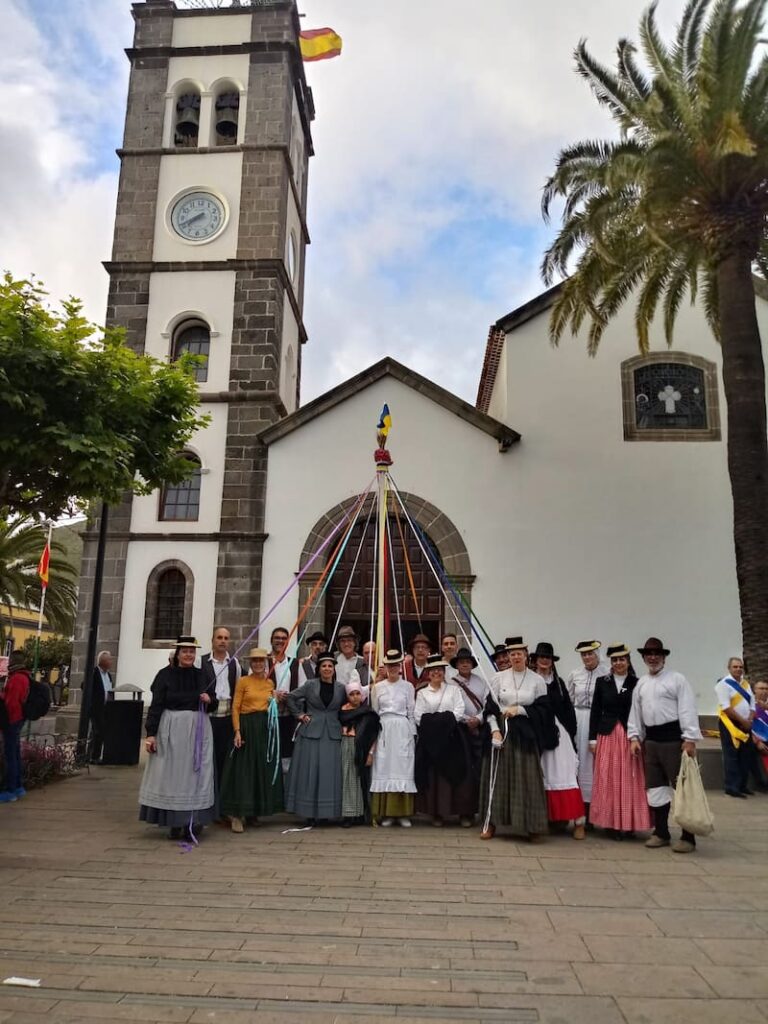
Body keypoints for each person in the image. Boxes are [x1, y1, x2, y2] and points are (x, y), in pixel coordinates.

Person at [628, 637, 702, 854]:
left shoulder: (677, 680)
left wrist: (689, 738)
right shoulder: (641, 683)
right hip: (651, 742)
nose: (653, 658)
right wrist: (634, 737)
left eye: (657, 654)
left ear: (664, 657)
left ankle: (688, 836)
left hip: (673, 741)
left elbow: (687, 708)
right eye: (649, 655)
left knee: (682, 788)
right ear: (643, 658)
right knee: (656, 787)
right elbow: (636, 712)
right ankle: (661, 832)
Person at [139, 636, 216, 841]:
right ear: (178, 653)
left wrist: (209, 700)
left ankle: (193, 820)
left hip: (198, 729)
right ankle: (173, 821)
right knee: (172, 775)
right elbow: (156, 706)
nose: (189, 654)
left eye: (192, 651)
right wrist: (151, 734)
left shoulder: (202, 675)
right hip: (172, 729)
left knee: (195, 776)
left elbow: (213, 702)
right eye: (185, 651)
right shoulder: (164, 675)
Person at [479, 637, 554, 841]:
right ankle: (491, 823)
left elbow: (544, 711)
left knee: (528, 779)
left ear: (526, 655)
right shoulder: (498, 678)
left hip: (525, 735)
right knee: (497, 777)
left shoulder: (537, 680)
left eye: (519, 653)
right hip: (502, 734)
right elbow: (490, 709)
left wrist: (520, 709)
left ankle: (532, 826)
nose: (515, 657)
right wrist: (494, 731)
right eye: (511, 654)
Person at [588, 644, 651, 838]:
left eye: (622, 659)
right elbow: (595, 711)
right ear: (611, 662)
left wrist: (639, 736)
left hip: (628, 735)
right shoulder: (602, 682)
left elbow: (641, 710)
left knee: (629, 778)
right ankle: (610, 823)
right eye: (615, 660)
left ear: (628, 661)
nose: (618, 663)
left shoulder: (637, 683)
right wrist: (592, 739)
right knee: (608, 778)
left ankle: (629, 822)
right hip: (607, 734)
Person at [220, 648, 283, 833]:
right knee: (243, 770)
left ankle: (253, 812)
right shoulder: (243, 681)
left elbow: (270, 708)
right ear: (250, 663)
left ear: (266, 663)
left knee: (259, 769)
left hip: (263, 729)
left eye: (261, 661)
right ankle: (237, 815)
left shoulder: (269, 682)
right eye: (254, 661)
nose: (258, 664)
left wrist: (274, 701)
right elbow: (235, 708)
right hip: (246, 727)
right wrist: (237, 731)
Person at [532, 641, 586, 839]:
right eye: (541, 657)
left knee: (565, 773)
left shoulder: (560, 683)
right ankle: (550, 818)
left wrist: (570, 734)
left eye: (548, 658)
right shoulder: (530, 680)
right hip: (539, 733)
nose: (544, 661)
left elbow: (567, 710)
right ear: (535, 660)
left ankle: (578, 821)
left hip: (560, 734)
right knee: (543, 775)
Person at [285, 652, 346, 824]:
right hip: (310, 732)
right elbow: (291, 697)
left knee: (330, 774)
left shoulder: (341, 688)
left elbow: (350, 704)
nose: (327, 669)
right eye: (324, 666)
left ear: (334, 669)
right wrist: (300, 715)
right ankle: (309, 813)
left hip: (333, 734)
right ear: (319, 669)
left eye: (330, 666)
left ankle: (327, 813)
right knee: (310, 772)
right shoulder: (310, 684)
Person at [415, 654, 474, 826]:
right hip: (431, 741)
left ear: (444, 672)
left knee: (460, 773)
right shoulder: (422, 693)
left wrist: (442, 722)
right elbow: (419, 716)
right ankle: (437, 813)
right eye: (433, 670)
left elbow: (459, 710)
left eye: (440, 670)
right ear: (428, 673)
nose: (437, 673)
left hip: (452, 738)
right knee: (434, 778)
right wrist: (438, 725)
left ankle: (463, 813)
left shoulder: (454, 690)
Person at [370, 649, 417, 827]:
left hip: (402, 729)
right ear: (385, 666)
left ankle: (403, 814)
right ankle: (387, 813)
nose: (393, 668)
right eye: (390, 665)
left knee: (403, 768)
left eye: (396, 665)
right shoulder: (378, 687)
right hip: (384, 728)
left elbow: (411, 712)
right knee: (384, 767)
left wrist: (412, 734)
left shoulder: (408, 687)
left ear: (400, 666)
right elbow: (374, 712)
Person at [566, 640, 608, 819]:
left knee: (597, 762)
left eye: (590, 653)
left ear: (597, 654)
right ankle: (581, 809)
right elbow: (568, 699)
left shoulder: (607, 673)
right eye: (583, 654)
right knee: (581, 761)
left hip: (599, 719)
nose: (587, 657)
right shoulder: (575, 674)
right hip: (579, 718)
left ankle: (599, 809)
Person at [451, 647, 490, 826]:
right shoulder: (450, 684)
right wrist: (467, 720)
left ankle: (482, 810)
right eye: (461, 661)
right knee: (464, 771)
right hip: (460, 730)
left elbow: (488, 705)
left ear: (472, 664)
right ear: (457, 664)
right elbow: (451, 707)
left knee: (481, 769)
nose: (465, 664)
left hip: (480, 730)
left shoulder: (482, 682)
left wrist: (479, 719)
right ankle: (464, 813)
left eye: (468, 661)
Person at [201, 627, 242, 791]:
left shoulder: (235, 664)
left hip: (227, 717)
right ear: (212, 640)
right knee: (207, 758)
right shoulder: (202, 662)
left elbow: (239, 688)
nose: (223, 641)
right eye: (219, 637)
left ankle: (220, 800)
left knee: (223, 759)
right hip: (207, 716)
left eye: (226, 638)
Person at [338, 678, 380, 827]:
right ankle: (348, 814)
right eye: (352, 694)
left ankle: (361, 813)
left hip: (361, 747)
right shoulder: (342, 711)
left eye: (358, 693)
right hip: (346, 745)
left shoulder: (368, 713)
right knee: (347, 780)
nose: (355, 697)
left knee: (360, 780)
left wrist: (370, 753)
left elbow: (373, 735)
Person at [715, 656, 755, 798]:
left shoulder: (745, 684)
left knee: (746, 755)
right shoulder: (723, 684)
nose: (738, 669)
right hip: (730, 724)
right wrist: (743, 721)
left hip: (746, 723)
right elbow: (726, 707)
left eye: (740, 667)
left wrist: (750, 718)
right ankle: (732, 787)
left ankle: (742, 786)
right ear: (729, 668)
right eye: (735, 667)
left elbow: (752, 703)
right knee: (731, 755)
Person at [0, 650, 30, 803]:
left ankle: (10, 790)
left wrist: (6, 722)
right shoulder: (23, 677)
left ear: (13, 661)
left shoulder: (17, 679)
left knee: (10, 755)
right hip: (16, 720)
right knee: (15, 753)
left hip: (12, 721)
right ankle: (18, 786)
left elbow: (11, 703)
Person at [268, 626, 300, 769]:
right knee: (270, 753)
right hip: (269, 717)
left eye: (283, 638)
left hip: (288, 717)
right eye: (277, 638)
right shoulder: (262, 662)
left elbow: (301, 688)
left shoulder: (295, 663)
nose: (280, 641)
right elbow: (255, 688)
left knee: (287, 756)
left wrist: (290, 697)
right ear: (271, 641)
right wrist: (273, 694)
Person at [87, 650, 114, 764]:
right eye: (109, 659)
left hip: (106, 708)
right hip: (96, 708)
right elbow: (85, 685)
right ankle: (93, 757)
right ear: (103, 661)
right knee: (98, 732)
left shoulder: (108, 675)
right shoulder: (94, 673)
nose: (111, 662)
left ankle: (92, 755)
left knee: (98, 732)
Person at [751, 680, 768, 782]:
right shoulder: (750, 706)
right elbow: (746, 727)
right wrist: (757, 742)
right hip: (757, 741)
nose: (764, 691)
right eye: (761, 688)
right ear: (754, 690)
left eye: (766, 689)